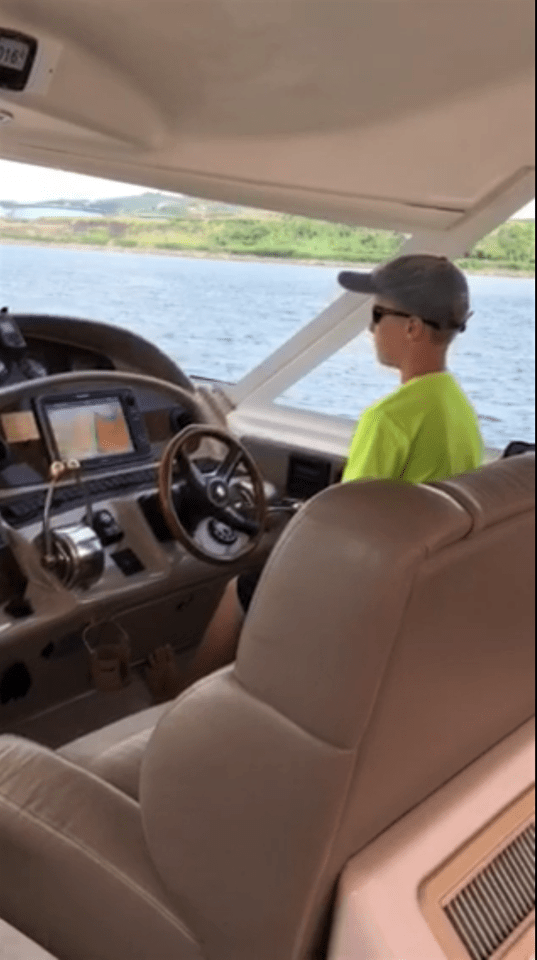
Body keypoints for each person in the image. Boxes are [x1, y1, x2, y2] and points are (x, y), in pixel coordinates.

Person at [179, 253, 484, 689]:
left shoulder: (389, 417)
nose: (371, 328)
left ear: (413, 327)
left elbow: (345, 527)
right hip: (419, 577)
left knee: (240, 589)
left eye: (378, 314)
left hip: (371, 585)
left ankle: (180, 694)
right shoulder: (457, 406)